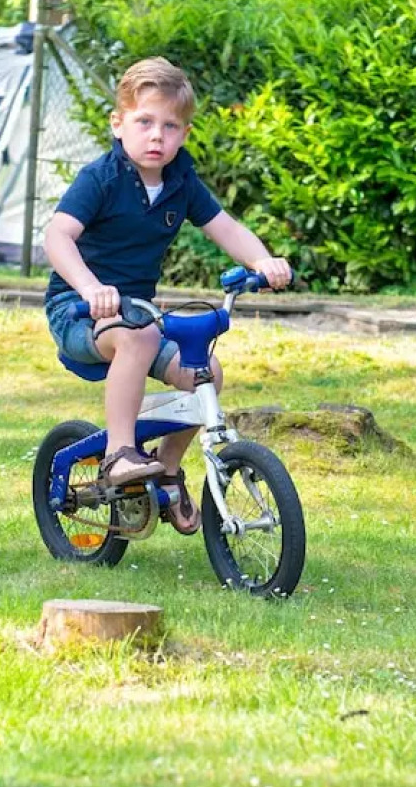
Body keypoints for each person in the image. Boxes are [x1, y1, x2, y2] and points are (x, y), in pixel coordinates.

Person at [42, 57, 292, 535]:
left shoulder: (180, 182)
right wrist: (91, 288)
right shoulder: (101, 178)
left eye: (170, 126)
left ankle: (169, 469)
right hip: (77, 310)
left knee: (205, 370)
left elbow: (225, 228)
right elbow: (58, 236)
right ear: (118, 124)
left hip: (139, 313)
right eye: (144, 122)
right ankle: (119, 453)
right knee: (136, 339)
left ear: (185, 133)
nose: (157, 136)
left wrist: (263, 261)